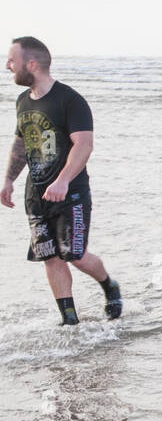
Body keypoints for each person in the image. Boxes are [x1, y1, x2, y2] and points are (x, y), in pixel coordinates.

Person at [2, 36, 122, 326]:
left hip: (71, 193)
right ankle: (70, 321)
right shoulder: (22, 100)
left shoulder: (70, 100)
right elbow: (22, 142)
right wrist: (8, 180)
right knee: (49, 256)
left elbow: (83, 145)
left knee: (75, 256)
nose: (7, 66)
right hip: (37, 194)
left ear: (31, 64)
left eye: (12, 61)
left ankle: (109, 285)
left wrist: (63, 180)